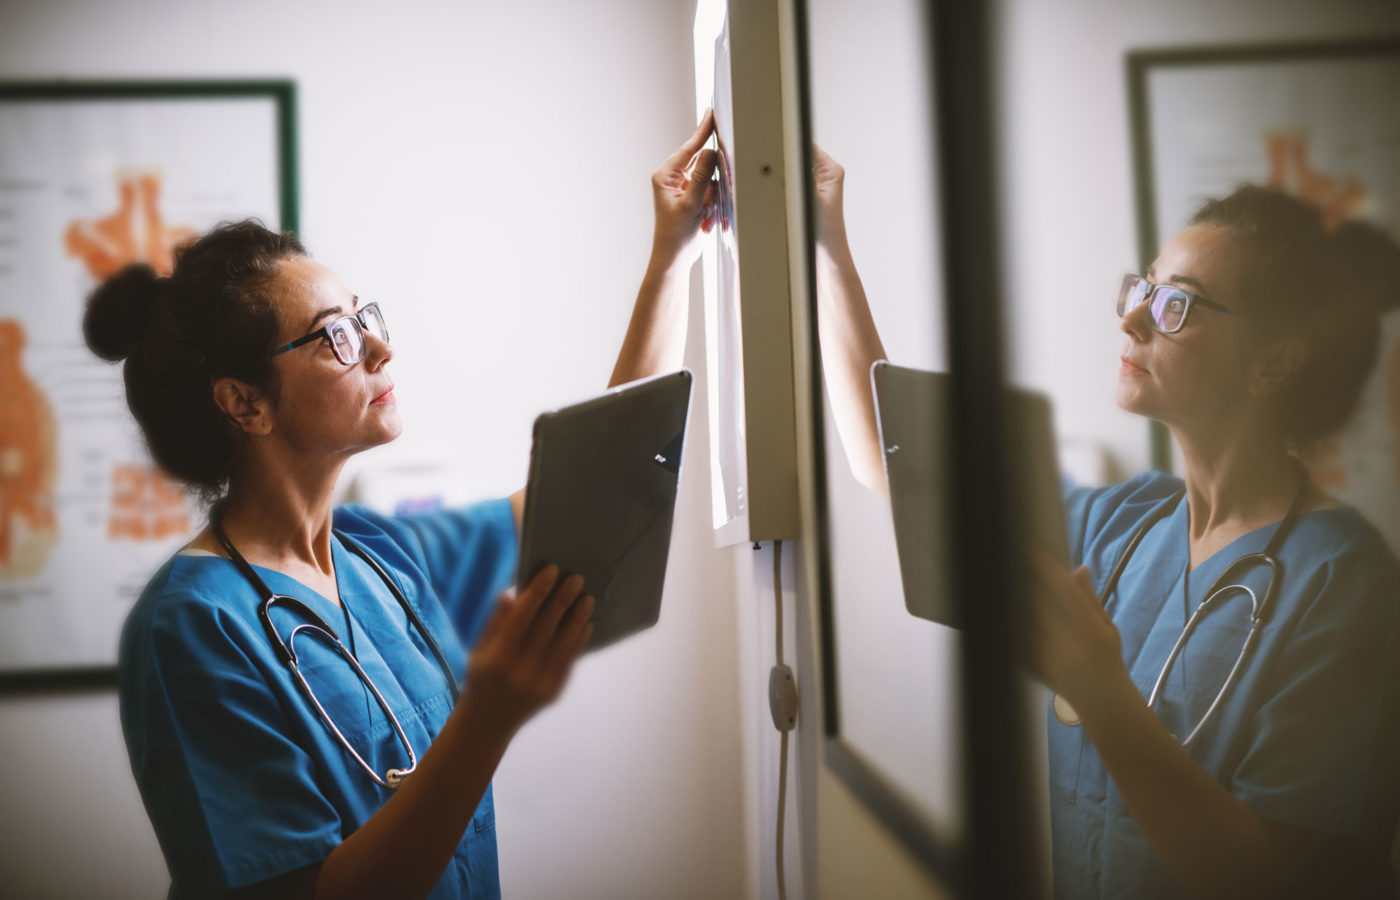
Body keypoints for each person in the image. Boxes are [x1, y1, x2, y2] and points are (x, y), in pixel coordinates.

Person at [89, 113, 717, 900]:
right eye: (333, 337)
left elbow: (600, 480)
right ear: (245, 404)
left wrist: (673, 255)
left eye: (363, 317)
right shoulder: (190, 629)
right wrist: (487, 718)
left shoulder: (376, 556)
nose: (379, 347)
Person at [812, 152, 1400, 898]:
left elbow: (1269, 879)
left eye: (1175, 304)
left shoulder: (1345, 583)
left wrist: (1101, 692)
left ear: (1273, 362)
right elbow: (892, 463)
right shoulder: (1122, 524)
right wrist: (826, 240)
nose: (1131, 316)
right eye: (1142, 288)